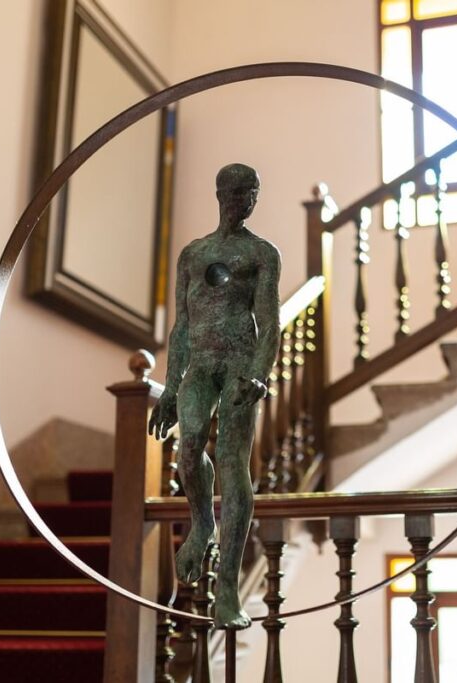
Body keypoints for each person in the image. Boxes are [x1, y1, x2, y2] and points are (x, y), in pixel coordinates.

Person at [148, 163, 279, 629]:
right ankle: (202, 522)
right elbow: (183, 326)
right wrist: (168, 387)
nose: (246, 201)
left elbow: (268, 320)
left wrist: (260, 374)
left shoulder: (262, 253)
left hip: (241, 363)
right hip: (200, 364)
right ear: (221, 192)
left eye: (254, 193)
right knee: (188, 447)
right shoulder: (193, 253)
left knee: (230, 460)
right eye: (240, 191)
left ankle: (227, 592)